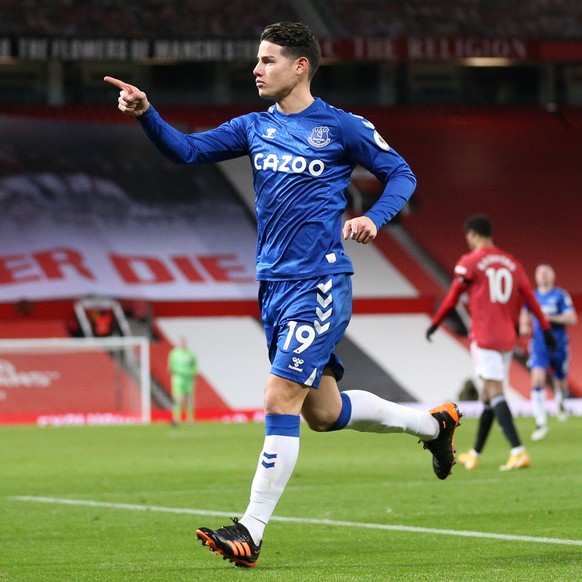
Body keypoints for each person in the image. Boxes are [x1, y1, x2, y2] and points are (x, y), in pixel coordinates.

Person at [105, 21, 461, 568]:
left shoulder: (342, 127)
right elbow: (188, 151)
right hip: (272, 287)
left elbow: (401, 174)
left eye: (267, 60)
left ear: (300, 67)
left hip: (319, 282)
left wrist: (374, 217)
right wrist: (146, 113)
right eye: (257, 59)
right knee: (321, 411)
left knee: (278, 399)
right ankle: (435, 425)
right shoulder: (253, 126)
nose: (256, 68)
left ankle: (250, 529)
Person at [426, 215, 556, 472]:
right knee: (488, 395)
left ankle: (518, 451)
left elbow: (452, 298)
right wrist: (547, 328)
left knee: (495, 391)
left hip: (484, 338)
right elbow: (530, 299)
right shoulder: (512, 263)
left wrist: (435, 323)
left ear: (472, 235)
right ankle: (474, 454)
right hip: (508, 338)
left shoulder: (470, 262)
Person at [519, 264, 577, 440]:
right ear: (536, 277)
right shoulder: (532, 296)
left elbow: (572, 318)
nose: (543, 276)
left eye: (546, 273)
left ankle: (560, 400)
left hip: (558, 345)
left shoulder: (560, 295)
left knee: (560, 381)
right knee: (537, 380)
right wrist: (523, 325)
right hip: (539, 346)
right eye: (540, 273)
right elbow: (524, 312)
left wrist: (548, 318)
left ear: (552, 276)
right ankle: (541, 422)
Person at [167, 336, 198, 425]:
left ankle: (190, 419)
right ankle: (177, 419)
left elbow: (195, 366)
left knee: (189, 399)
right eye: (181, 342)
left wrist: (193, 374)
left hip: (189, 379)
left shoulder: (191, 354)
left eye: (184, 342)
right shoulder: (174, 353)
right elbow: (170, 367)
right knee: (178, 399)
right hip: (178, 379)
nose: (182, 344)